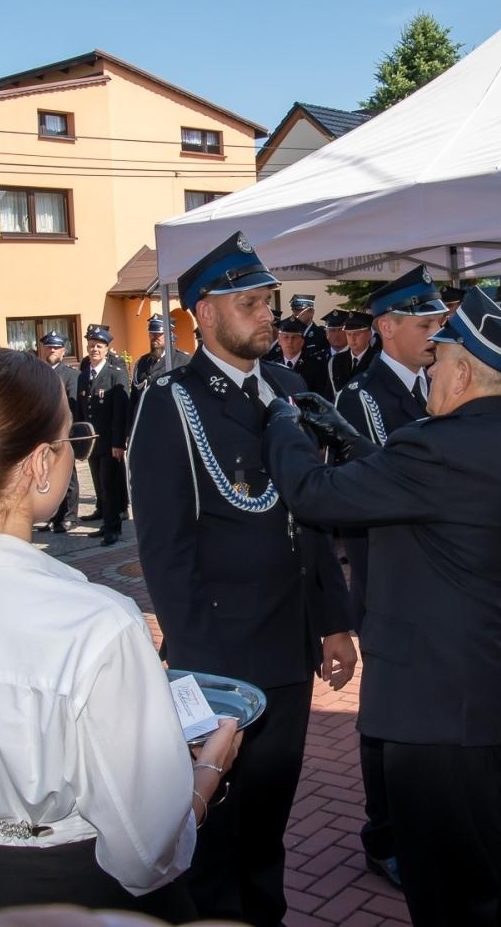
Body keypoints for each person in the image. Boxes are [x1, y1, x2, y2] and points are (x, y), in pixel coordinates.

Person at [0, 347, 241, 922]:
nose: (71, 455)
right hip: (91, 894)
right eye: (70, 440)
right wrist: (206, 774)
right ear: (39, 464)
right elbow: (145, 851)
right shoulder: (98, 623)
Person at [262, 287, 501, 927]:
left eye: (440, 357)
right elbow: (423, 495)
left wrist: (285, 426)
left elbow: (315, 496)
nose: (430, 367)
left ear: (464, 375)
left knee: (447, 884)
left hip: (438, 717)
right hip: (498, 700)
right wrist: (344, 433)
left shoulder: (439, 447)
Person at [128, 231, 355, 927]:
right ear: (203, 311)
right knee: (214, 841)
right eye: (252, 302)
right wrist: (206, 681)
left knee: (267, 824)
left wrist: (334, 618)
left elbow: (308, 517)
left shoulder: (288, 389)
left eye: (269, 300)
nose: (268, 314)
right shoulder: (172, 403)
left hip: (287, 653)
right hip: (221, 663)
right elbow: (166, 554)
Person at [331, 264, 447, 891]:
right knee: (385, 718)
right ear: (386, 327)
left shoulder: (433, 385)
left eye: (436, 321)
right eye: (425, 321)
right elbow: (385, 490)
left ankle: (421, 821)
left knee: (425, 713)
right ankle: (384, 837)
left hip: (432, 579)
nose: (435, 330)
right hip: (387, 584)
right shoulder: (364, 399)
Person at [79, 325, 130, 547]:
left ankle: (113, 528)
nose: (94, 350)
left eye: (98, 346)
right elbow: (82, 411)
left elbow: (121, 412)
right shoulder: (83, 376)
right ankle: (105, 522)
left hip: (109, 442)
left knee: (109, 485)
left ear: (107, 349)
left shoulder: (115, 375)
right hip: (91, 443)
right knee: (99, 486)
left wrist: (119, 442)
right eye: (91, 346)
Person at [35, 331, 82, 532]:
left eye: (56, 347)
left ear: (63, 351)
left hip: (63, 433)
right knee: (48, 476)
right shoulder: (36, 373)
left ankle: (70, 515)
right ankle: (53, 515)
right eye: (48, 347)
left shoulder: (71, 375)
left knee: (68, 477)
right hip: (43, 433)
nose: (52, 350)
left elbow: (72, 406)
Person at [131, 314, 192, 418]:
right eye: (151, 334)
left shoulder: (184, 361)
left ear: (169, 335)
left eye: (158, 334)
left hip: (171, 422)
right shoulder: (142, 362)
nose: (154, 338)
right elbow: (133, 400)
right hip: (144, 423)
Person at [330, 311, 376, 394]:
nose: (352, 338)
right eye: (349, 334)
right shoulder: (336, 360)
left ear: (369, 334)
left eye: (357, 334)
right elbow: (329, 395)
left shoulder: (377, 360)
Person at [287, 293, 329, 357]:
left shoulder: (322, 334)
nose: (296, 313)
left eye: (300, 310)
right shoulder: (288, 334)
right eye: (294, 310)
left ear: (312, 312)